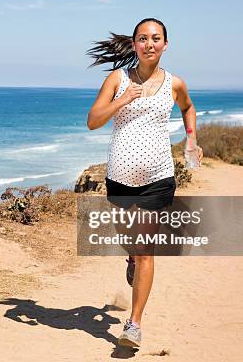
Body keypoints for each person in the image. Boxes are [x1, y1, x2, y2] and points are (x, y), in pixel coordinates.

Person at [86, 17, 203, 348]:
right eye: (142, 39)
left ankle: (133, 325)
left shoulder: (175, 83)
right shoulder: (118, 78)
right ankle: (132, 260)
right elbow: (93, 121)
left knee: (146, 249)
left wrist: (191, 140)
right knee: (129, 241)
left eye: (156, 38)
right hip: (120, 179)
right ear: (134, 44)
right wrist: (123, 99)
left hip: (158, 178)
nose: (149, 44)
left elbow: (189, 108)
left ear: (166, 44)